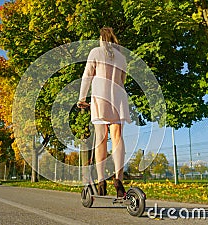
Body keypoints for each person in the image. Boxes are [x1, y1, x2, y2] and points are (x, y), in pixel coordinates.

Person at [77, 27, 130, 198]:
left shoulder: (95, 52)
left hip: (100, 96)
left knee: (101, 139)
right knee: (117, 137)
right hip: (118, 96)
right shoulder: (122, 58)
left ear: (101, 38)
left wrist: (82, 98)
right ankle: (119, 178)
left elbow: (87, 76)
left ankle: (101, 181)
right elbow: (122, 80)